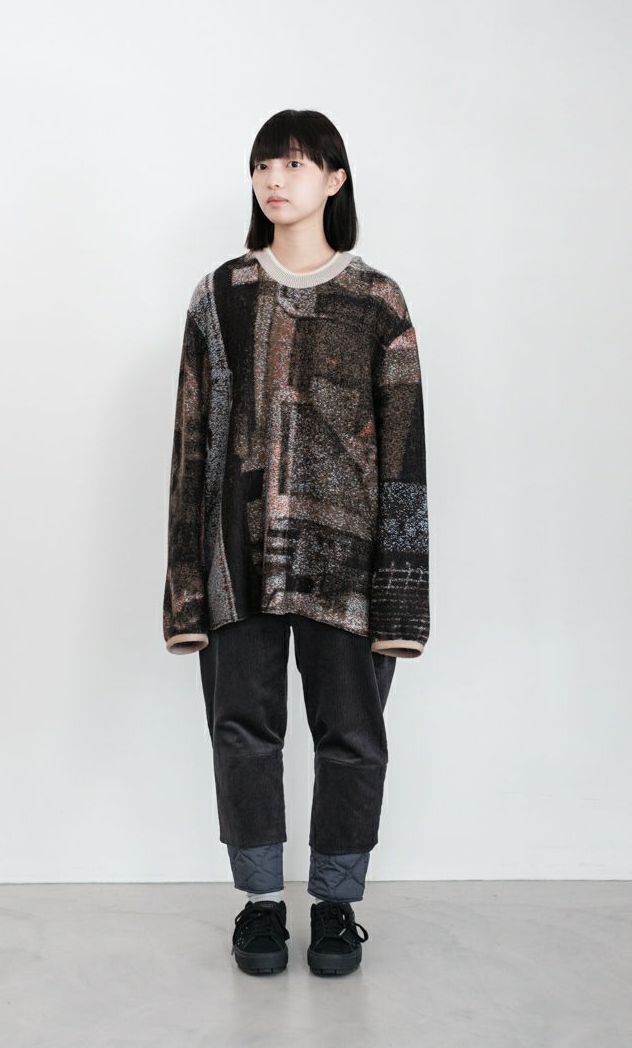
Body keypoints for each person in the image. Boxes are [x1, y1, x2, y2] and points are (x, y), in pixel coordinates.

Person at [162, 108, 430, 976]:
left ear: (335, 179)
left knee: (352, 736)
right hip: (236, 563)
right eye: (263, 165)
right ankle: (261, 905)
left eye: (296, 163)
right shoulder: (220, 296)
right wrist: (185, 591)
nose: (275, 180)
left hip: (347, 568)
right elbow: (192, 446)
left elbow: (405, 459)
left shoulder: (377, 301)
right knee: (244, 731)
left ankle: (337, 906)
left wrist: (402, 600)